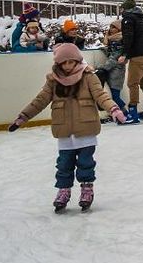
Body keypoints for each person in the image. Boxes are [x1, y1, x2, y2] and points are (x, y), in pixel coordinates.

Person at [9, 42, 126, 212]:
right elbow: (40, 101)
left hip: (86, 130)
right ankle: (63, 191)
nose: (68, 66)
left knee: (86, 163)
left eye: (71, 62)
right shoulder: (53, 81)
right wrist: (23, 117)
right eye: (64, 63)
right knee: (64, 164)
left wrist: (114, 109)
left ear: (77, 60)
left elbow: (101, 96)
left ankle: (87, 189)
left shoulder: (88, 77)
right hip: (64, 131)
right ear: (59, 64)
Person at [118, 0, 143, 122]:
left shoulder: (128, 19)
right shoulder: (141, 18)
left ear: (125, 9)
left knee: (132, 83)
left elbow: (128, 38)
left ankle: (132, 112)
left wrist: (124, 54)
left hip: (138, 55)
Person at [97, 19, 127, 116]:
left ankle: (125, 112)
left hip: (117, 72)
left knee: (115, 96)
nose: (111, 29)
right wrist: (105, 50)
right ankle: (122, 112)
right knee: (113, 95)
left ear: (119, 29)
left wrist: (100, 67)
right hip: (113, 72)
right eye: (110, 27)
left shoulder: (119, 41)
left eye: (113, 27)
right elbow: (112, 54)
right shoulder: (112, 40)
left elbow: (114, 58)